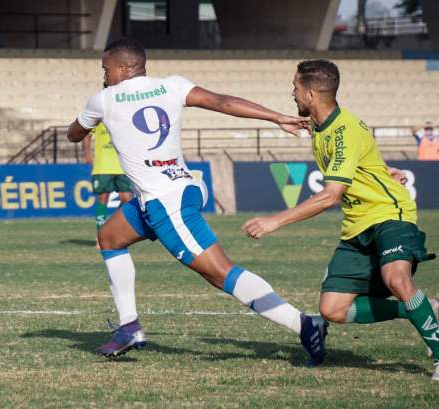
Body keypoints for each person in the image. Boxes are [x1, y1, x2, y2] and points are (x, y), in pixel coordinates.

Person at [66, 37, 327, 365]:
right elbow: (222, 101)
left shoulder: (104, 99)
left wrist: (83, 123)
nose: (103, 75)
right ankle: (128, 326)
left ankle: (304, 324)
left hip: (165, 203)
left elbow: (74, 134)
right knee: (109, 237)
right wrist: (276, 117)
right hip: (177, 189)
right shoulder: (172, 85)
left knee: (222, 274)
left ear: (121, 67)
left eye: (105, 69)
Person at [242, 59, 439, 381]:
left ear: (309, 94)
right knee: (332, 309)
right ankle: (427, 308)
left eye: (295, 88)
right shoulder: (321, 126)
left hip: (390, 214)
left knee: (397, 281)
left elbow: (331, 195)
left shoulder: (343, 129)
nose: (291, 93)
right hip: (357, 224)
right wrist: (382, 168)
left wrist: (274, 221)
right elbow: (362, 155)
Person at [82, 117, 133, 248]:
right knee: (103, 199)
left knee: (127, 200)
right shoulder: (99, 116)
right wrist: (87, 153)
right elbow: (86, 134)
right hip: (102, 166)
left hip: (123, 165)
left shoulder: (124, 117)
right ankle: (100, 238)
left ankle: (110, 229)